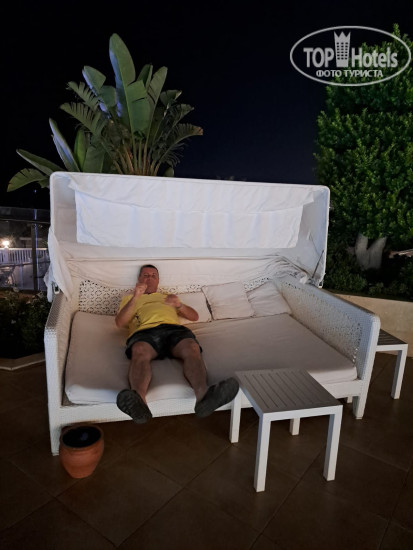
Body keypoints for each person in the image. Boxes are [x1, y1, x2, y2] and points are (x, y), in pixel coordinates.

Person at [115, 264, 239, 423]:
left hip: (173, 330)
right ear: (139, 279)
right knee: (139, 350)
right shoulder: (129, 298)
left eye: (153, 276)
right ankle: (139, 402)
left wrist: (179, 304)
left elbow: (194, 317)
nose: (149, 278)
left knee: (192, 347)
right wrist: (135, 297)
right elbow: (120, 322)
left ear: (158, 280)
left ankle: (203, 396)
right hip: (145, 332)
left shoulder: (168, 296)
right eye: (145, 275)